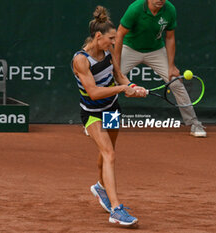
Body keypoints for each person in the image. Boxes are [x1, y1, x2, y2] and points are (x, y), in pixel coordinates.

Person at [71, 6, 146, 226]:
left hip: (112, 110)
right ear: (98, 36)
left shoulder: (108, 54)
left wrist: (132, 86)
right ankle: (116, 209)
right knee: (109, 154)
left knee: (108, 152)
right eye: (111, 39)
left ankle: (100, 187)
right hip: (93, 114)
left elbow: (119, 76)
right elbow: (93, 93)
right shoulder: (81, 60)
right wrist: (122, 90)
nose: (114, 42)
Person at [114, 0, 207, 137]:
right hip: (130, 48)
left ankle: (194, 123)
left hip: (155, 51)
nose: (160, 0)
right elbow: (119, 34)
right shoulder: (135, 9)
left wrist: (171, 66)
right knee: (110, 81)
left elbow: (170, 37)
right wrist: (116, 65)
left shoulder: (170, 10)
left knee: (175, 82)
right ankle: (97, 122)